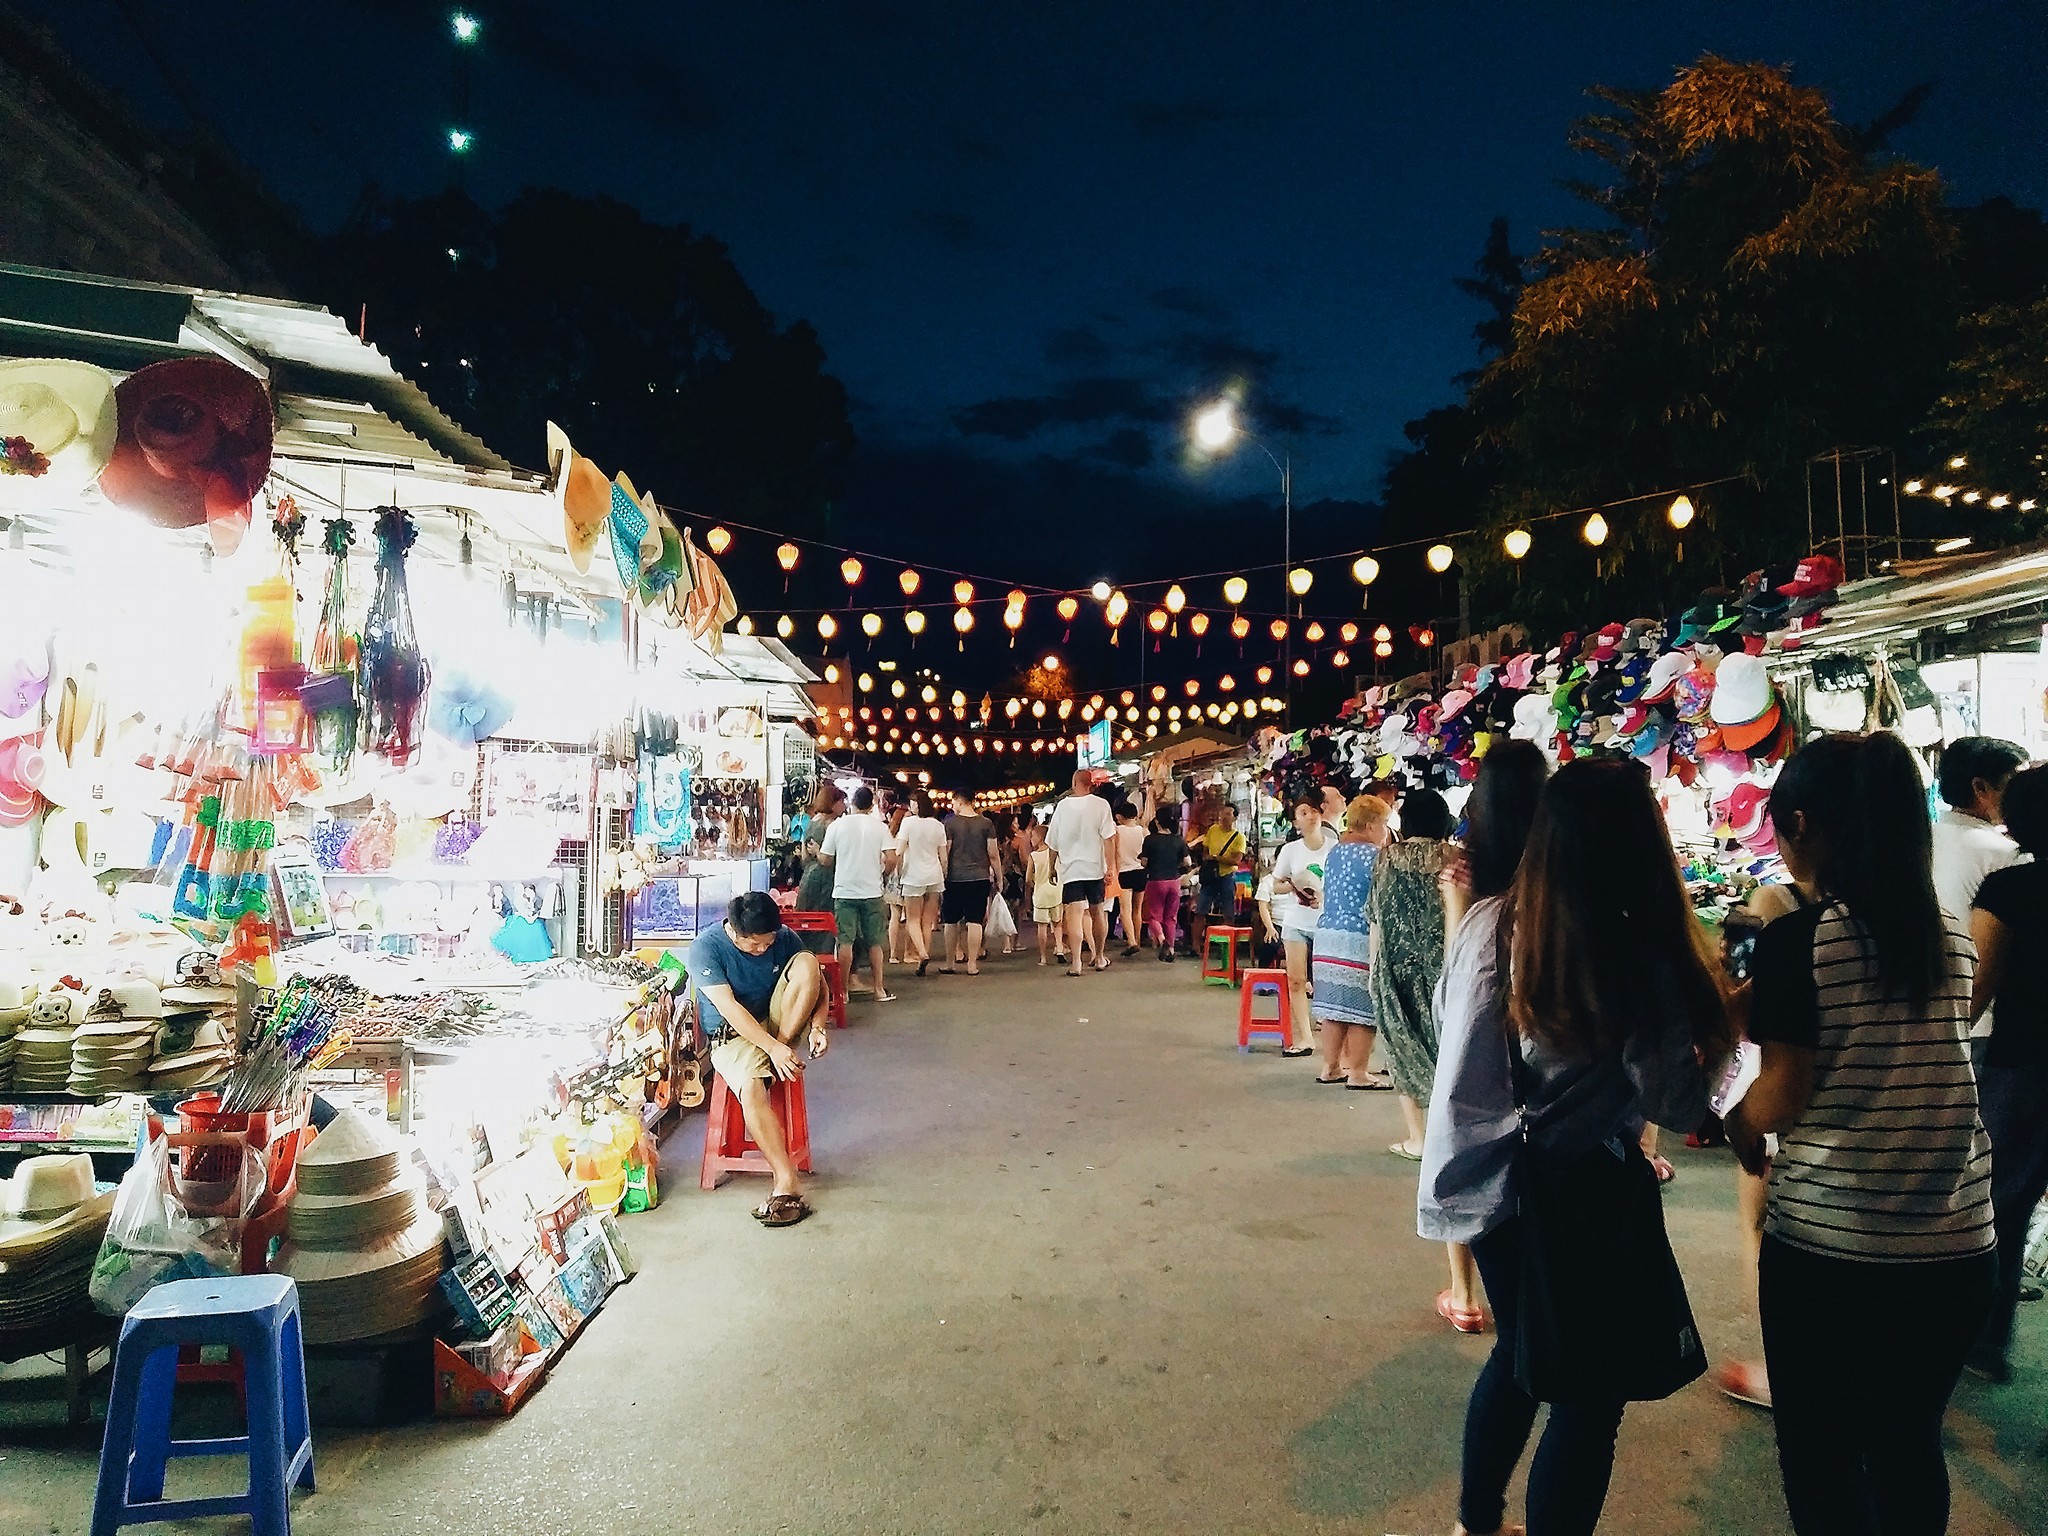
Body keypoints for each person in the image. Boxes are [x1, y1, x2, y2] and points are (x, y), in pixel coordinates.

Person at [1422, 756, 1724, 1536]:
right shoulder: (1628, 946)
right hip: (1578, 1190)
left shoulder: (1492, 919)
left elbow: (1450, 1030)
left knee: (1520, 1361)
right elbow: (1674, 1101)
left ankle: (1476, 1524)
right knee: (1587, 1404)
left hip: (1483, 1178)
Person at [1726, 732, 1994, 1536]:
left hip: (1836, 1250)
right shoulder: (1946, 935)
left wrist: (1735, 1122)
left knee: (1823, 1457)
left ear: (1802, 824)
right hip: (1954, 1244)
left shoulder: (1802, 941)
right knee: (1909, 1445)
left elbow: (1782, 1091)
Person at [1431, 740, 1547, 1336]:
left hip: (1489, 1080)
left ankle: (1464, 1294)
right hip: (1560, 1102)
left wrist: (1458, 903)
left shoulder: (1474, 884)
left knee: (1522, 1344)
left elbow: (1458, 994)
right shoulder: (1562, 882)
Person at [1965, 761, 2048, 1383]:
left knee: (2002, 1203)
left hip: (2024, 1066)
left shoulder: (2010, 890)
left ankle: (1985, 1341)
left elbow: (1976, 988)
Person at [690, 892, 831, 1227]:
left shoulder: (781, 938)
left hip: (776, 1023)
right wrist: (772, 1048)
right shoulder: (706, 948)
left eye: (768, 943)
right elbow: (731, 1010)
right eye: (755, 946)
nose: (763, 950)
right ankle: (786, 1180)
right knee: (752, 1092)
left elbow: (817, 984)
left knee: (809, 962)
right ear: (736, 933)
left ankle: (779, 1054)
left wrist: (817, 1027)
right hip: (733, 1035)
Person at [1370, 787, 1456, 1151]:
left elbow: (1376, 916)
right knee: (1449, 1045)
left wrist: (1373, 968)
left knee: (1400, 1042)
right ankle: (1451, 1133)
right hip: (1447, 963)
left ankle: (1418, 1138)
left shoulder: (1387, 860)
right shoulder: (1456, 857)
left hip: (1396, 964)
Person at [1311, 794, 1391, 1088]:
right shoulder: (1375, 857)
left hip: (1328, 934)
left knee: (1333, 1006)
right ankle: (1358, 1072)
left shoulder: (1335, 853)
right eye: (1383, 824)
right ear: (1370, 825)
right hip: (1360, 935)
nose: (1385, 831)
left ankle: (1330, 1067)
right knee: (1363, 1009)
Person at [1931, 734, 2027, 922]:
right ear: (1980, 787)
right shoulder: (2005, 854)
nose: (2024, 793)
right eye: (2016, 784)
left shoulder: (1926, 838)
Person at [818, 784, 897, 1004]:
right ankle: (879, 989)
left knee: (845, 942)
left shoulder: (837, 826)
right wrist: (883, 875)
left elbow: (824, 859)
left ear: (852, 803)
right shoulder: (880, 827)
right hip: (872, 891)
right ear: (872, 804)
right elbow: (891, 858)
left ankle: (843, 993)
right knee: (874, 942)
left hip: (844, 891)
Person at [1270, 792, 1333, 1061]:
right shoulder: (1290, 850)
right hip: (1295, 921)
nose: (1310, 815)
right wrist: (1294, 885)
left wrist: (1323, 896)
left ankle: (1331, 1039)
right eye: (1303, 812)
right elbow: (1276, 884)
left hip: (1326, 922)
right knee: (1296, 980)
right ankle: (1306, 1037)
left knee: (1327, 980)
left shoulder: (1334, 847)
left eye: (1313, 810)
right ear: (1296, 821)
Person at [1046, 769, 1117, 977]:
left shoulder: (1062, 806)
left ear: (1074, 781)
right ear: (1091, 784)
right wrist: (1110, 866)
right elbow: (1109, 838)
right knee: (1097, 913)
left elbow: (1053, 842)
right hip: (1094, 867)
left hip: (1071, 869)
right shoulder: (1101, 805)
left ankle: (1076, 962)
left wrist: (1052, 867)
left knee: (1075, 915)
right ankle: (1099, 957)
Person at [941, 789, 1001, 976]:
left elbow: (946, 852)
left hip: (954, 878)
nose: (953, 806)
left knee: (951, 921)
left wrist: (943, 874)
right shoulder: (986, 824)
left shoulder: (949, 824)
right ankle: (972, 964)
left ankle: (950, 962)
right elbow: (993, 854)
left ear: (959, 801)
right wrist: (999, 876)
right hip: (980, 877)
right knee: (975, 921)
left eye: (953, 802)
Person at [893, 792, 947, 975]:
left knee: (912, 920)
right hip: (934, 875)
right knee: (927, 921)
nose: (910, 806)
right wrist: (944, 874)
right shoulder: (938, 826)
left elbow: (899, 851)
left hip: (913, 876)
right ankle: (924, 954)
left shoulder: (908, 823)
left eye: (912, 803)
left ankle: (922, 954)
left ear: (917, 804)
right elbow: (944, 857)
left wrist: (898, 872)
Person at [792, 783, 845, 954]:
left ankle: (804, 956)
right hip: (826, 878)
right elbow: (827, 860)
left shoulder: (811, 822)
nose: (843, 806)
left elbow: (804, 857)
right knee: (824, 921)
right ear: (833, 803)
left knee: (807, 920)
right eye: (841, 802)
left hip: (809, 877)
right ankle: (823, 960)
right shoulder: (831, 825)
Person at [1192, 802, 1248, 960]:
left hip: (1226, 877)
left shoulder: (1239, 838)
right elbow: (1205, 850)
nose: (1224, 817)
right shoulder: (1213, 830)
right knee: (1200, 910)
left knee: (1228, 912)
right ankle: (1196, 946)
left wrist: (1216, 858)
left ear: (1235, 818)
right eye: (1223, 814)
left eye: (1228, 814)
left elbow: (1236, 860)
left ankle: (1228, 947)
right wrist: (1209, 859)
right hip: (1211, 877)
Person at [1139, 811, 1191, 960]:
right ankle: (1172, 949)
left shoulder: (1150, 840)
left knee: (1153, 916)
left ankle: (1162, 941)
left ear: (1157, 822)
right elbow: (1187, 862)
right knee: (1170, 917)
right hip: (1174, 882)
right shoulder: (1178, 840)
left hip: (1156, 880)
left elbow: (1144, 862)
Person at [1113, 799, 1148, 958]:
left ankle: (1132, 941)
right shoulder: (1143, 831)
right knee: (1137, 909)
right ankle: (1138, 940)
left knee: (1125, 910)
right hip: (1140, 872)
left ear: (1120, 816)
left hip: (1124, 872)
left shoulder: (1117, 831)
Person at [1026, 819, 1061, 966]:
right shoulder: (1056, 854)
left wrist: (1034, 885)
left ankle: (1043, 957)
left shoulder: (1034, 856)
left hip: (1040, 894)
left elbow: (1028, 879)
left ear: (1040, 837)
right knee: (1057, 923)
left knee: (1042, 926)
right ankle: (1059, 948)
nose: (1031, 839)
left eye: (1033, 836)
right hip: (1056, 892)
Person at [882, 801, 910, 965]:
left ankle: (894, 953)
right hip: (904, 876)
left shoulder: (890, 836)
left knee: (896, 916)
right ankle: (905, 952)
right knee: (909, 918)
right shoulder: (905, 837)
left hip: (894, 877)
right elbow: (898, 857)